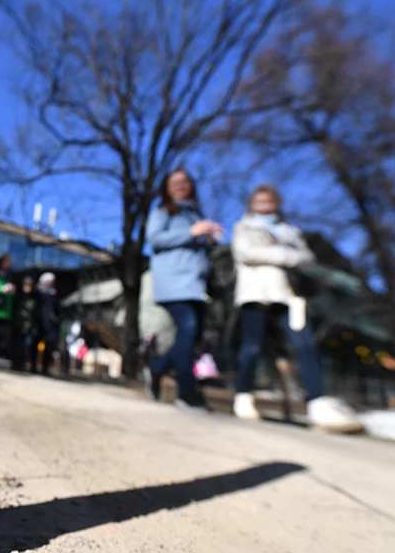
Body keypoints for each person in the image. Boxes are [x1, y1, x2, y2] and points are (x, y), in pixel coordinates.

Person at [231, 184, 361, 432]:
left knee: (305, 345)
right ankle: (243, 395)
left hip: (288, 295)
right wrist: (283, 254)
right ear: (252, 205)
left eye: (269, 202)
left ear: (276, 204)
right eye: (259, 203)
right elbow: (246, 253)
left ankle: (317, 402)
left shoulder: (289, 231)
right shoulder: (243, 228)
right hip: (255, 293)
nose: (265, 207)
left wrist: (292, 256)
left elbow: (307, 258)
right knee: (252, 345)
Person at [144, 169, 222, 408]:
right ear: (166, 188)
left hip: (195, 284)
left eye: (185, 181)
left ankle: (157, 368)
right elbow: (154, 239)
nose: (180, 185)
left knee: (192, 335)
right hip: (173, 283)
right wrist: (191, 232)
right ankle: (186, 393)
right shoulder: (163, 212)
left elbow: (196, 251)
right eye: (174, 182)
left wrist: (209, 242)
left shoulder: (195, 214)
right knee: (187, 329)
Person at [35, 272, 61, 375]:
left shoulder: (54, 293)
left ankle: (45, 367)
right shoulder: (37, 291)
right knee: (35, 344)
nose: (51, 283)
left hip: (50, 324)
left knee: (49, 346)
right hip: (38, 322)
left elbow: (57, 309)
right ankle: (33, 365)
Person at [14, 276, 39, 371]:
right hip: (18, 325)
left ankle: (25, 363)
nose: (27, 287)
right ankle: (16, 363)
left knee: (27, 346)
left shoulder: (35, 298)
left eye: (29, 285)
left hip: (29, 326)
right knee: (18, 345)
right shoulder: (18, 296)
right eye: (26, 284)